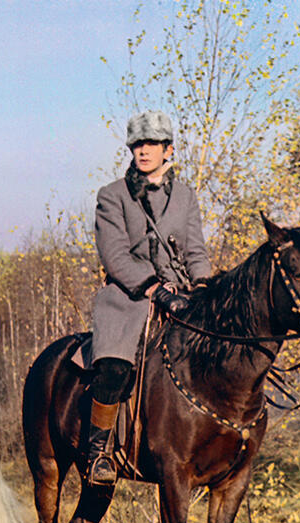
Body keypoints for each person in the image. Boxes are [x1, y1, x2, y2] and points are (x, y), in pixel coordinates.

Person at [86, 110, 212, 485]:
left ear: (168, 150)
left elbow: (195, 250)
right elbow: (115, 255)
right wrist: (155, 290)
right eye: (137, 145)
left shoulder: (186, 196)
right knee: (113, 362)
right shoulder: (112, 196)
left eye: (151, 145)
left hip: (180, 296)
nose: (143, 151)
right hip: (128, 298)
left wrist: (202, 286)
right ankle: (100, 453)